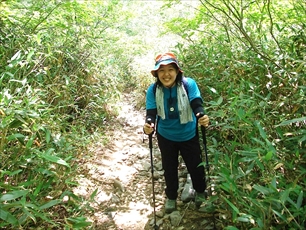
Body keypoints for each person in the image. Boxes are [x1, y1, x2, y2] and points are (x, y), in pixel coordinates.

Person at [143, 52, 209, 213]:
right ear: (157, 74)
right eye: (162, 71)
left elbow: (196, 103)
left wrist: (201, 115)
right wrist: (149, 125)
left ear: (177, 71)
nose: (166, 74)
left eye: (170, 69)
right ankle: (171, 197)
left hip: (188, 133)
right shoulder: (153, 90)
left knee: (195, 166)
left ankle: (200, 193)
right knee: (169, 168)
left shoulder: (189, 84)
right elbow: (151, 113)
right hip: (166, 136)